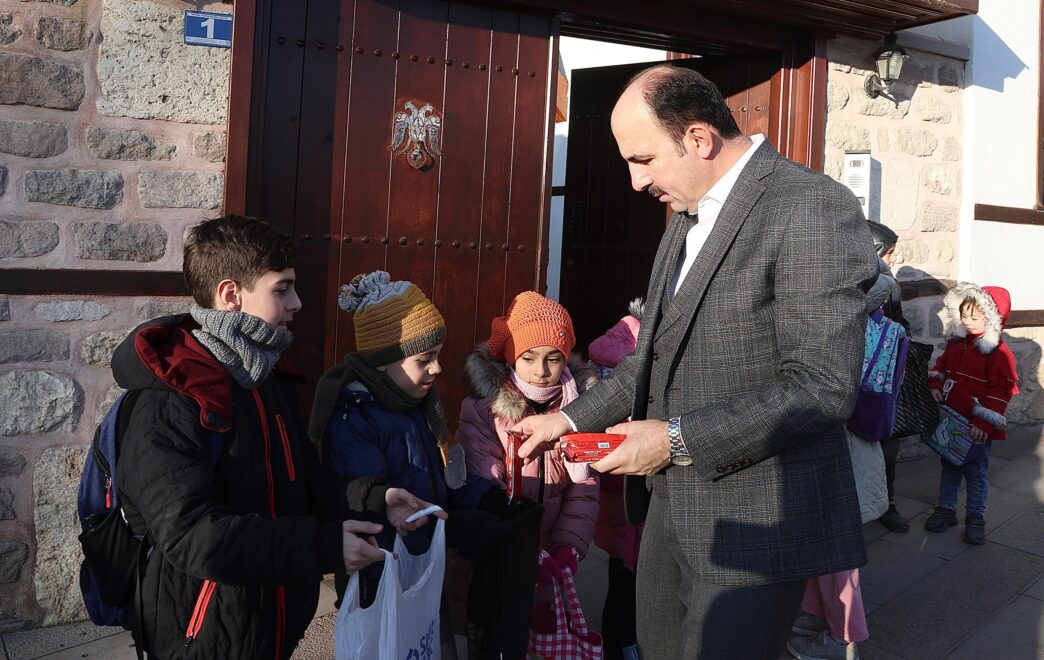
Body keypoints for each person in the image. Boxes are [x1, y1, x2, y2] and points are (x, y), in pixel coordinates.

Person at [513, 64, 878, 658]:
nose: (634, 182)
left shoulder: (811, 206)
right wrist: (568, 420)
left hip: (756, 529)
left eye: (643, 159)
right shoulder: (684, 218)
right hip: (665, 519)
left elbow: (823, 385)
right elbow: (648, 362)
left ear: (699, 139)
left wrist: (676, 441)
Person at [111, 215, 440, 659]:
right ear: (231, 295)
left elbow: (303, 481)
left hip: (271, 622)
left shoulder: (263, 377)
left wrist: (375, 498)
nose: (298, 302)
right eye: (281, 289)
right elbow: (194, 536)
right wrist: (320, 548)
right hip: (202, 634)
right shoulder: (170, 400)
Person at [308, 271, 510, 655]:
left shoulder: (416, 408)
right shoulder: (357, 420)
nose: (436, 369)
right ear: (383, 364)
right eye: (425, 359)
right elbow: (361, 494)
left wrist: (487, 499)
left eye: (437, 357)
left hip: (420, 570)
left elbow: (444, 474)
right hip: (381, 574)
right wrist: (389, 506)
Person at [455, 291, 600, 640]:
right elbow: (483, 483)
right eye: (528, 358)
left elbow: (584, 490)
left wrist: (568, 547)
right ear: (510, 357)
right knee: (493, 636)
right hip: (495, 559)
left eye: (553, 358)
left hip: (551, 561)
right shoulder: (483, 411)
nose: (541, 371)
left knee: (537, 638)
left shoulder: (582, 410)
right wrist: (523, 552)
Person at [924, 282, 1019, 545]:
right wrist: (935, 384)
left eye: (975, 317)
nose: (967, 322)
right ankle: (946, 508)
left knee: (976, 473)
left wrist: (983, 422)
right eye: (965, 315)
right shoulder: (957, 343)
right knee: (950, 466)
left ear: (992, 318)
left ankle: (976, 518)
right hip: (953, 417)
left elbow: (1001, 390)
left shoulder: (998, 353)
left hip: (975, 426)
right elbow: (942, 365)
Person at [587, 299, 644, 660]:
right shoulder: (639, 356)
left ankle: (617, 647)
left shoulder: (604, 362)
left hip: (615, 516)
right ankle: (624, 649)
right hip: (633, 511)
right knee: (631, 594)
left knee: (619, 587)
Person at [865, 220, 912, 534]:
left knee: (888, 441)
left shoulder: (889, 283)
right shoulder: (870, 281)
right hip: (861, 376)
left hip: (883, 373)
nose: (893, 260)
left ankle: (887, 501)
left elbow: (898, 320)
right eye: (890, 253)